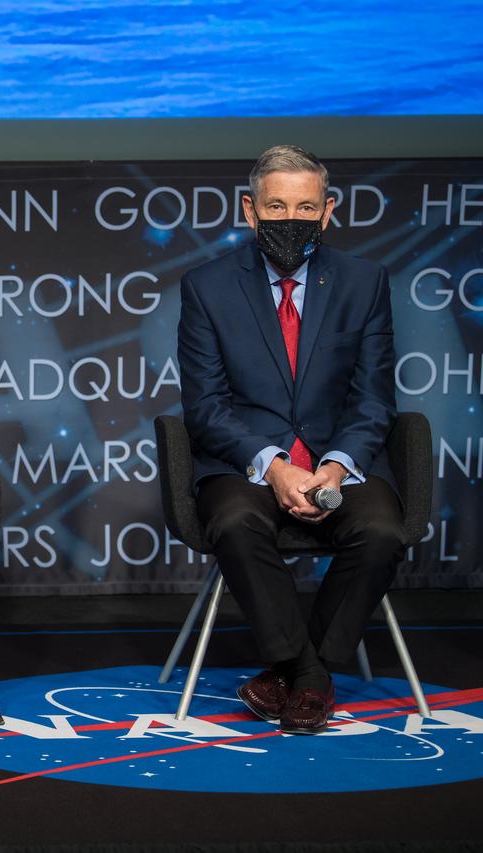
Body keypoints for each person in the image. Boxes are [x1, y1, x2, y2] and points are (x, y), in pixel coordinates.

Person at [177, 145, 403, 735]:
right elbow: (205, 406)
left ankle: (296, 675)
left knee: (381, 531)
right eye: (276, 206)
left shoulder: (364, 282)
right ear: (250, 210)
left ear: (328, 211)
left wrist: (336, 467)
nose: (291, 219)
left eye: (306, 207)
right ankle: (310, 675)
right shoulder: (207, 287)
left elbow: (374, 398)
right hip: (246, 463)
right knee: (234, 522)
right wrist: (275, 466)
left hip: (338, 459)